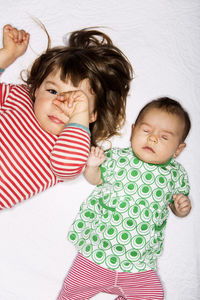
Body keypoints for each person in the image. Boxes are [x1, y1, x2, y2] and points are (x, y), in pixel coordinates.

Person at [58, 97, 191, 300]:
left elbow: (175, 204)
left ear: (178, 150)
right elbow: (96, 180)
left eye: (164, 137)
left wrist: (181, 207)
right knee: (72, 291)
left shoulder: (175, 174)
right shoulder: (118, 159)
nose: (152, 138)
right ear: (133, 131)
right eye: (146, 131)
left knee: (154, 295)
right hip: (96, 255)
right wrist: (92, 166)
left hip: (138, 266)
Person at [0, 24, 133, 210]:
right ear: (37, 89)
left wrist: (79, 117)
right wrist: (7, 55)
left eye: (77, 102)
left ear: (91, 115)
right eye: (53, 91)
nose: (60, 103)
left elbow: (66, 166)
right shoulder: (19, 96)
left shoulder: (75, 146)